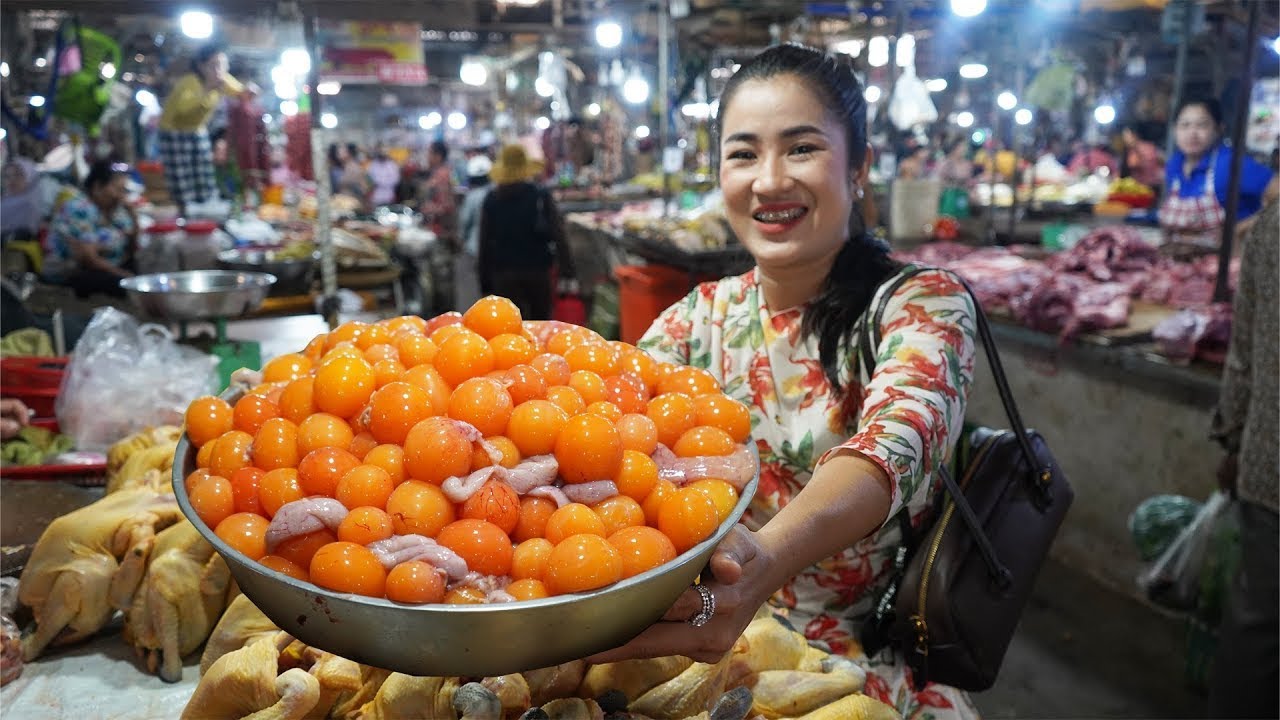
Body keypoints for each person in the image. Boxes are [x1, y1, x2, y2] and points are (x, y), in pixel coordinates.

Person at [591, 44, 979, 719]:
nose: (769, 181)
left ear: (857, 169)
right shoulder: (699, 318)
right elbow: (604, 425)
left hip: (856, 660)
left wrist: (763, 563)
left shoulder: (922, 304)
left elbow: (895, 444)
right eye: (743, 154)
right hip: (701, 641)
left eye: (801, 149)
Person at [1207, 198, 1278, 719]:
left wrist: (1231, 437)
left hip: (1269, 465)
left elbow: (1244, 354)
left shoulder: (1273, 224)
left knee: (1258, 626)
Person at [478, 144, 573, 321]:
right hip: (538, 272)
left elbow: (484, 242)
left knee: (509, 326)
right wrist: (567, 270)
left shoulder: (492, 198)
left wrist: (484, 281)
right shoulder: (540, 195)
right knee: (540, 325)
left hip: (503, 274)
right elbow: (558, 233)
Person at [1161, 98, 1274, 247]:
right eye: (1185, 125)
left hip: (1226, 264)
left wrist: (1240, 230)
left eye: (1202, 125)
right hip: (1179, 263)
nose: (1192, 133)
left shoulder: (1230, 163)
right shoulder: (1174, 165)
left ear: (1218, 129)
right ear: (1175, 130)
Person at [157, 43, 246, 213]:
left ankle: (206, 214)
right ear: (201, 66)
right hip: (174, 132)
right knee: (183, 180)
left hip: (197, 130)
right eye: (213, 66)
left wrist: (248, 92)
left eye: (223, 65)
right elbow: (184, 112)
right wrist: (207, 90)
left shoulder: (222, 79)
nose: (219, 70)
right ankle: (186, 215)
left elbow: (241, 92)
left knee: (204, 176)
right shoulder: (190, 82)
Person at [45, 161, 138, 298]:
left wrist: (133, 216)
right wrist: (123, 275)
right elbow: (89, 259)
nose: (120, 195)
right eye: (117, 189)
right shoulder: (79, 209)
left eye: (123, 190)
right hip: (72, 270)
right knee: (119, 284)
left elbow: (131, 247)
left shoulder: (116, 210)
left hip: (109, 265)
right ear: (97, 187)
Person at [455, 154, 492, 311]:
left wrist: (460, 240)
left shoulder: (472, 197)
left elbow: (464, 224)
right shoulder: (497, 193)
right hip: (497, 253)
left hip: (474, 251)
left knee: (470, 294)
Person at [418, 141, 458, 244]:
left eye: (429, 153)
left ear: (438, 156)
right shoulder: (441, 172)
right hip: (438, 225)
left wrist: (428, 208)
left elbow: (446, 205)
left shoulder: (442, 175)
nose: (427, 156)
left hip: (441, 229)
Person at [1, 158, 45, 238]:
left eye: (18, 175)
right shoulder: (5, 200)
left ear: (30, 177)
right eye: (7, 176)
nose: (12, 180)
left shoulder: (28, 205)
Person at [1119, 125, 1163, 190]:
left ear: (1134, 135)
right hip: (1154, 185)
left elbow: (1133, 164)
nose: (1124, 139)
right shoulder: (1150, 146)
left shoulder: (1134, 150)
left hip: (1143, 188)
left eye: (1126, 136)